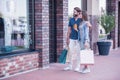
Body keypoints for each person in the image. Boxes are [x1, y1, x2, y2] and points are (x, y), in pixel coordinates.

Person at [64, 7, 82, 71]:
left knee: (78, 53)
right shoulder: (71, 19)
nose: (74, 13)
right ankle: (70, 66)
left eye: (75, 11)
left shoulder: (81, 20)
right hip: (72, 38)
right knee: (70, 52)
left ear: (78, 12)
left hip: (78, 39)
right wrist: (67, 38)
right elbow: (69, 30)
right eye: (73, 11)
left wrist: (78, 30)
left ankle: (77, 67)